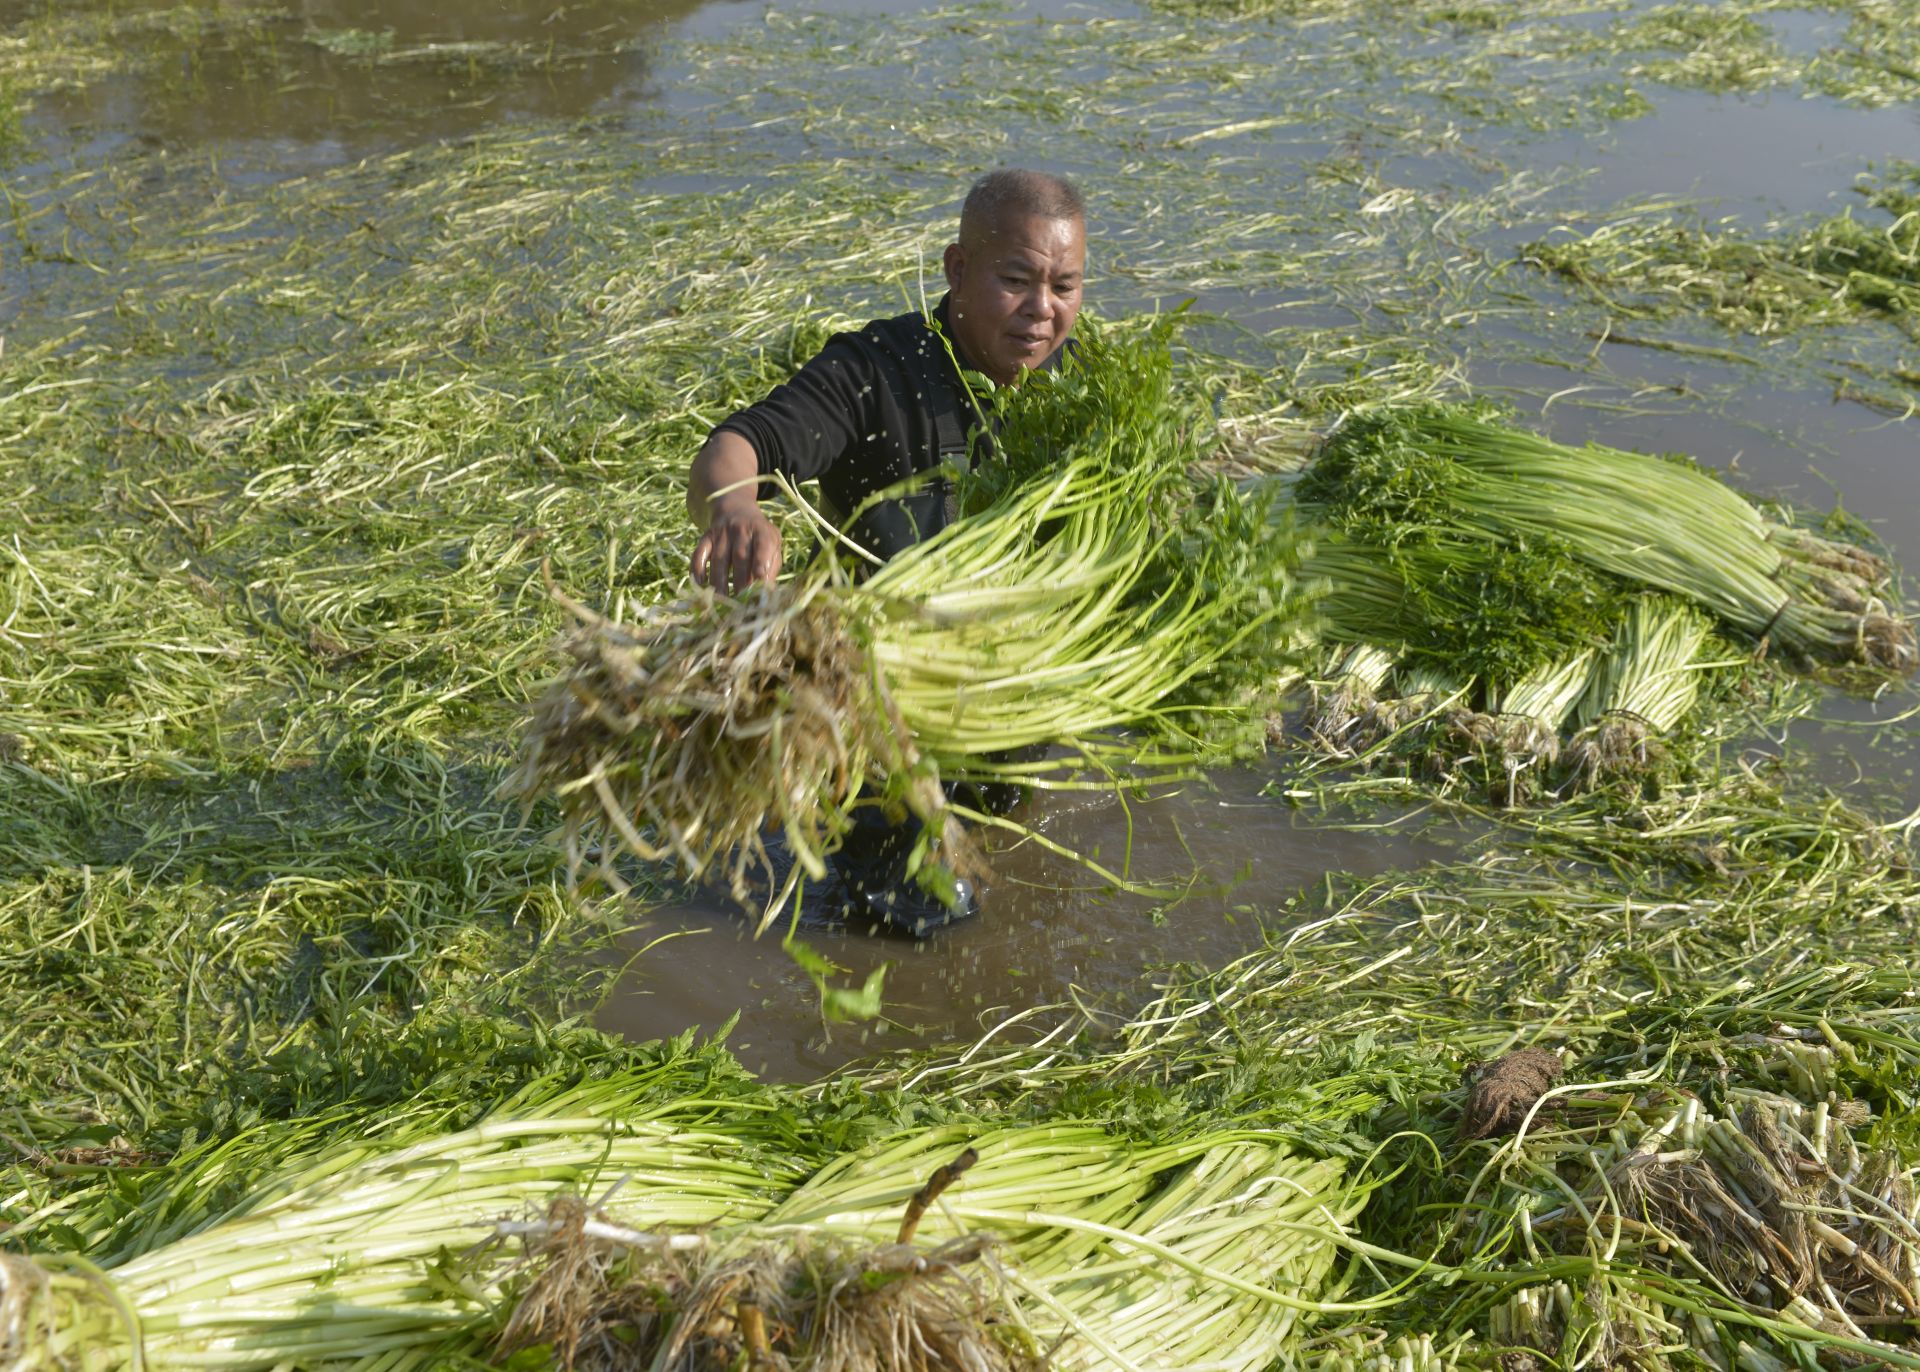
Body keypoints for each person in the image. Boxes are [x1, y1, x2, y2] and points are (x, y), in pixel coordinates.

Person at [685, 168, 1087, 934]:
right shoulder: (876, 373)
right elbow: (738, 444)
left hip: (1012, 705)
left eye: (1065, 286)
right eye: (1015, 280)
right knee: (913, 924)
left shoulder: (1084, 388)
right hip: (877, 713)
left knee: (1019, 867)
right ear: (957, 270)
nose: (1043, 312)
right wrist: (733, 509)